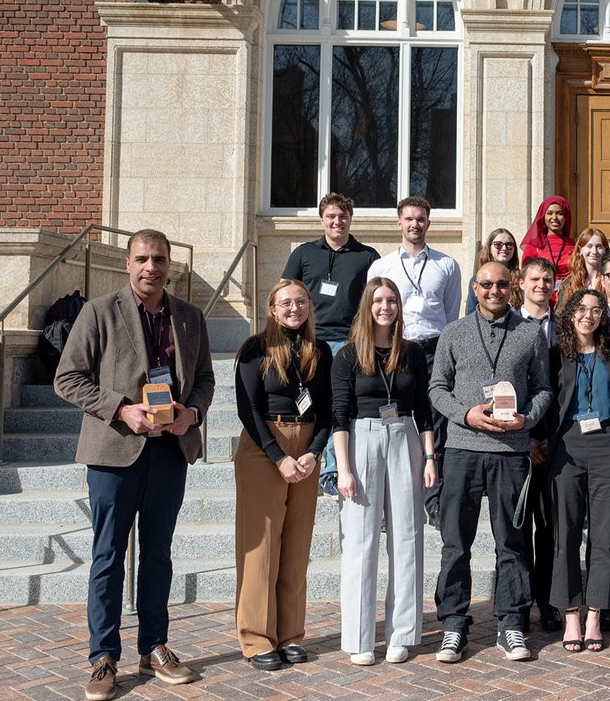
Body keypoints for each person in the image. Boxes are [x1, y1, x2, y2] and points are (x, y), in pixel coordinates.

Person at [54, 229, 214, 701]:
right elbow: (68, 377)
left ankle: (154, 647)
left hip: (170, 452)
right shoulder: (99, 311)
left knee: (158, 553)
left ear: (169, 264)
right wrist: (121, 409)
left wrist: (193, 413)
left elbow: (205, 378)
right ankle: (103, 656)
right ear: (127, 263)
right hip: (114, 452)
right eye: (142, 258)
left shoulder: (190, 317)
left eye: (159, 259)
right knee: (108, 556)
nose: (151, 267)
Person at [429, 261, 553, 663]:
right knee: (455, 542)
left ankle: (511, 623)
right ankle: (453, 624)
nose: (494, 291)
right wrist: (465, 414)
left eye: (501, 284)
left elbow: (544, 389)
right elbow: (437, 388)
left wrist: (527, 419)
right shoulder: (454, 332)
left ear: (511, 286)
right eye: (486, 284)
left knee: (512, 542)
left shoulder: (529, 333)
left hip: (511, 452)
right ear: (474, 287)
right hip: (463, 450)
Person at [332, 277, 436, 665]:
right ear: (367, 306)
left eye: (392, 300)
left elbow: (423, 408)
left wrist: (430, 457)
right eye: (378, 300)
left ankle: (401, 633)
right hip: (362, 438)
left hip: (405, 436)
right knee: (360, 542)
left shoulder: (411, 353)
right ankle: (359, 637)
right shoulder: (348, 355)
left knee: (407, 537)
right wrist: (344, 468)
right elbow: (339, 413)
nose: (385, 307)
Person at [233, 279, 333, 671]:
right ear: (272, 309)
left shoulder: (319, 350)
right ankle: (257, 637)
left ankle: (290, 634)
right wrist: (278, 457)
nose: (294, 308)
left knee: (296, 544)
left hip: (306, 449)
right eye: (285, 302)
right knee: (261, 547)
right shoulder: (255, 348)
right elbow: (247, 407)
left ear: (310, 305)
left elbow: (328, 409)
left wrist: (313, 451)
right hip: (264, 447)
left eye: (301, 301)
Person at [367, 196, 461, 526]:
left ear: (428, 223)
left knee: (435, 422)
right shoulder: (382, 267)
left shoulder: (447, 265)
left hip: (435, 350)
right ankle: (386, 504)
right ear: (399, 223)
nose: (414, 224)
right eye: (409, 219)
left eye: (420, 219)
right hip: (396, 349)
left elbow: (451, 315)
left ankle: (434, 502)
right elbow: (374, 312)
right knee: (391, 419)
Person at [548, 289, 610, 653]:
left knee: (603, 535)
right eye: (581, 309)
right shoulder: (556, 355)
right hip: (567, 445)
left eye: (596, 310)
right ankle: (570, 615)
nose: (588, 316)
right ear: (570, 314)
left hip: (608, 445)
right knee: (566, 534)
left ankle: (595, 613)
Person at [281, 193, 378, 494]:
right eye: (331, 216)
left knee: (340, 404)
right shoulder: (303, 253)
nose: (338, 222)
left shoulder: (367, 256)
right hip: (308, 341)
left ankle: (333, 471)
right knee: (306, 401)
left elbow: (376, 300)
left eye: (343, 216)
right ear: (322, 219)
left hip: (349, 343)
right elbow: (284, 292)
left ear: (351, 218)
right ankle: (302, 459)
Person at [516, 256, 561, 634]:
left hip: (555, 442)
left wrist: (549, 437)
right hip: (516, 441)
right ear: (521, 283)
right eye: (535, 279)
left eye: (547, 279)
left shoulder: (564, 328)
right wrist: (525, 435)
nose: (541, 285)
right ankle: (518, 605)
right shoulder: (509, 326)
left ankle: (546, 602)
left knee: (548, 529)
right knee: (517, 529)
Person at [520, 195, 576, 288]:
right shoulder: (534, 245)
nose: (554, 217)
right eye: (549, 213)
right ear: (543, 217)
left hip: (570, 292)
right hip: (542, 291)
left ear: (566, 217)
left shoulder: (574, 245)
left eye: (560, 213)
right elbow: (527, 274)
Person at [464, 228, 521, 314]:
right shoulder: (477, 279)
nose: (504, 248)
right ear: (489, 248)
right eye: (498, 244)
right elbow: (471, 313)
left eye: (509, 245)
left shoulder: (522, 279)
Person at [554, 227, 608, 312]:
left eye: (599, 247)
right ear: (580, 250)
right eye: (589, 246)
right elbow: (560, 314)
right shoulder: (568, 283)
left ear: (605, 250)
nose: (594, 251)